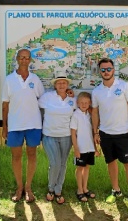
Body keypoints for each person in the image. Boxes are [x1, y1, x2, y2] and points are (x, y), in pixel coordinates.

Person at [91, 58, 128, 207]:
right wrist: (96, 132)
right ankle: (116, 190)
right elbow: (94, 112)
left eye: (109, 69)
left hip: (123, 133)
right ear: (100, 72)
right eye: (103, 69)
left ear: (114, 69)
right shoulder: (96, 91)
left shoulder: (125, 86)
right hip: (105, 134)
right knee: (110, 163)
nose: (106, 72)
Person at [2, 48, 45, 203]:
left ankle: (28, 188)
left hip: (34, 124)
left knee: (32, 155)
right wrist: (5, 126)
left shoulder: (35, 79)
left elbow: (43, 100)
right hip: (15, 125)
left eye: (27, 58)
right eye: (21, 57)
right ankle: (19, 187)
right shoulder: (9, 80)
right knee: (16, 156)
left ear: (30, 60)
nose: (24, 60)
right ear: (17, 59)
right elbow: (5, 105)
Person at [38, 71, 77, 204]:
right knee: (54, 164)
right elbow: (36, 108)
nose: (61, 84)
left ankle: (58, 190)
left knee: (62, 164)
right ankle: (51, 188)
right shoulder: (46, 97)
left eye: (64, 82)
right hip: (49, 136)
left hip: (66, 136)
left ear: (67, 85)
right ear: (55, 85)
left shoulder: (73, 100)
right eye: (59, 83)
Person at [70, 92, 99, 202]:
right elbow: (73, 133)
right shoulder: (75, 115)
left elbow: (92, 132)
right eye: (81, 102)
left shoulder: (90, 115)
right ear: (77, 103)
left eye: (86, 103)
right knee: (80, 168)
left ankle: (85, 188)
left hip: (89, 148)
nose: (84, 104)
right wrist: (76, 149)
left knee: (87, 168)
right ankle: (79, 190)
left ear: (90, 103)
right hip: (80, 148)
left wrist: (95, 149)